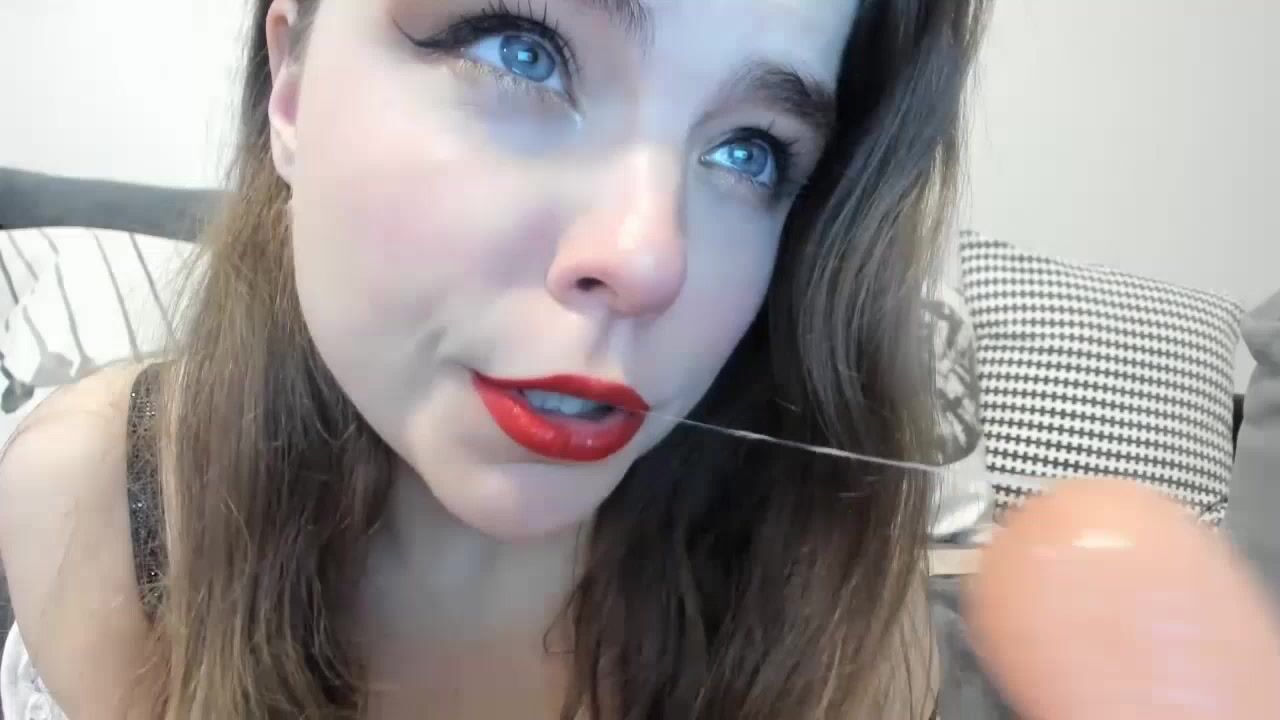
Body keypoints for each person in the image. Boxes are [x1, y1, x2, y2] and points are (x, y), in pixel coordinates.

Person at [6, 0, 980, 717]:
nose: (649, 262)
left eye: (750, 152)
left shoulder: (836, 599)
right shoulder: (101, 513)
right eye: (522, 51)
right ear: (292, 85)